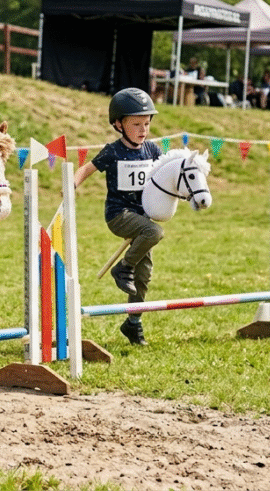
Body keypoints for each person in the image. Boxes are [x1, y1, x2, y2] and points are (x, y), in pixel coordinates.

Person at [72, 88, 164, 346]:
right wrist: (73, 182)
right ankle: (123, 267)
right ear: (118, 124)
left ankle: (133, 324)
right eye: (136, 124)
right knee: (155, 233)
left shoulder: (153, 150)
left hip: (142, 218)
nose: (143, 129)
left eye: (146, 123)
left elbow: (166, 174)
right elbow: (87, 168)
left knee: (143, 275)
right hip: (119, 215)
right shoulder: (112, 152)